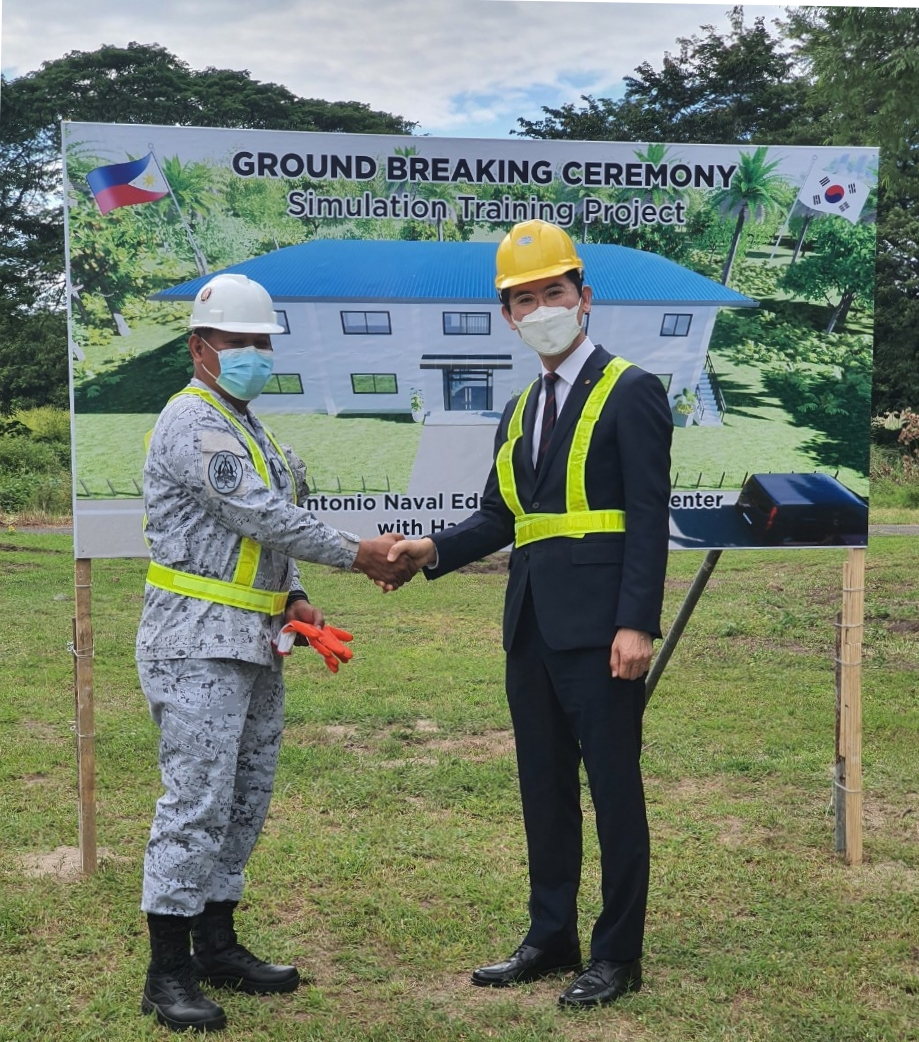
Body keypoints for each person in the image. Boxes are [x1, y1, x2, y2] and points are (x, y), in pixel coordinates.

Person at [388, 221, 672, 1008]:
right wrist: (428, 550)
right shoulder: (517, 408)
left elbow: (647, 516)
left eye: (552, 292)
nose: (540, 308)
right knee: (542, 788)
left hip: (602, 630)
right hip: (531, 627)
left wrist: (636, 623)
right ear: (507, 317)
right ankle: (551, 937)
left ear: (584, 297)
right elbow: (496, 517)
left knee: (613, 790)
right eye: (523, 299)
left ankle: (616, 956)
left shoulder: (632, 390)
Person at [137, 272, 415, 1033]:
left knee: (245, 797)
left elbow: (265, 529)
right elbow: (255, 511)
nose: (256, 353)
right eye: (240, 342)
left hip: (254, 640)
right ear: (201, 350)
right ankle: (166, 973)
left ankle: (217, 943)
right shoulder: (192, 424)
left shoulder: (247, 423)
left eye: (263, 342)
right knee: (194, 801)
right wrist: (362, 554)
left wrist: (291, 596)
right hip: (193, 641)